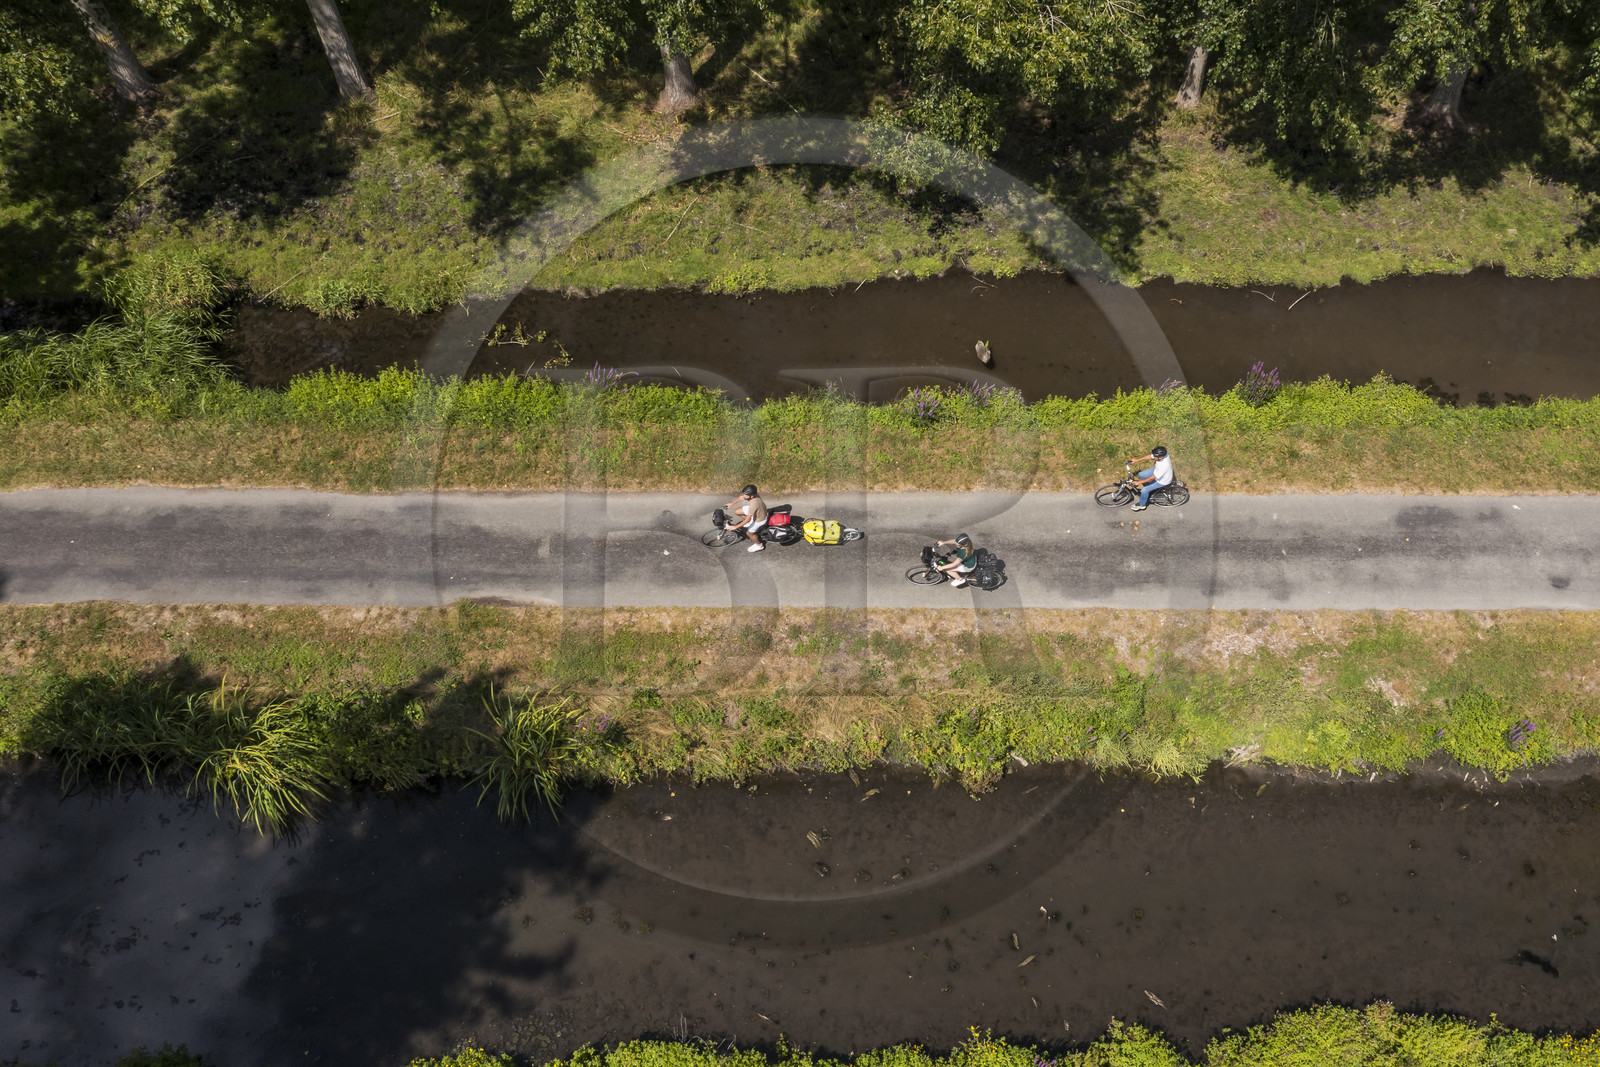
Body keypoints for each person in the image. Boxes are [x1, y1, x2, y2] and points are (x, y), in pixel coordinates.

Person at [723, 484, 770, 552]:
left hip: (759, 519)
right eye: (744, 494)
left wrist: (735, 526)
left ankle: (759, 545)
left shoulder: (754, 504)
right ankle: (751, 522)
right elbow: (741, 497)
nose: (744, 496)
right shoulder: (753, 494)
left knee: (749, 533)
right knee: (737, 511)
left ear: (751, 496)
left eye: (746, 495)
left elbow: (748, 518)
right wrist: (732, 503)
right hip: (756, 511)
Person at [1126, 445, 1174, 511]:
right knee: (1141, 474)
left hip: (1162, 481)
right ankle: (1152, 490)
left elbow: (1152, 478)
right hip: (1157, 471)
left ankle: (1142, 505)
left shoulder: (1164, 466)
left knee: (1144, 490)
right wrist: (1137, 460)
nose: (1153, 456)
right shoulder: (1162, 455)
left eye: (1155, 456)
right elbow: (1150, 456)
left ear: (1160, 458)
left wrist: (1138, 482)